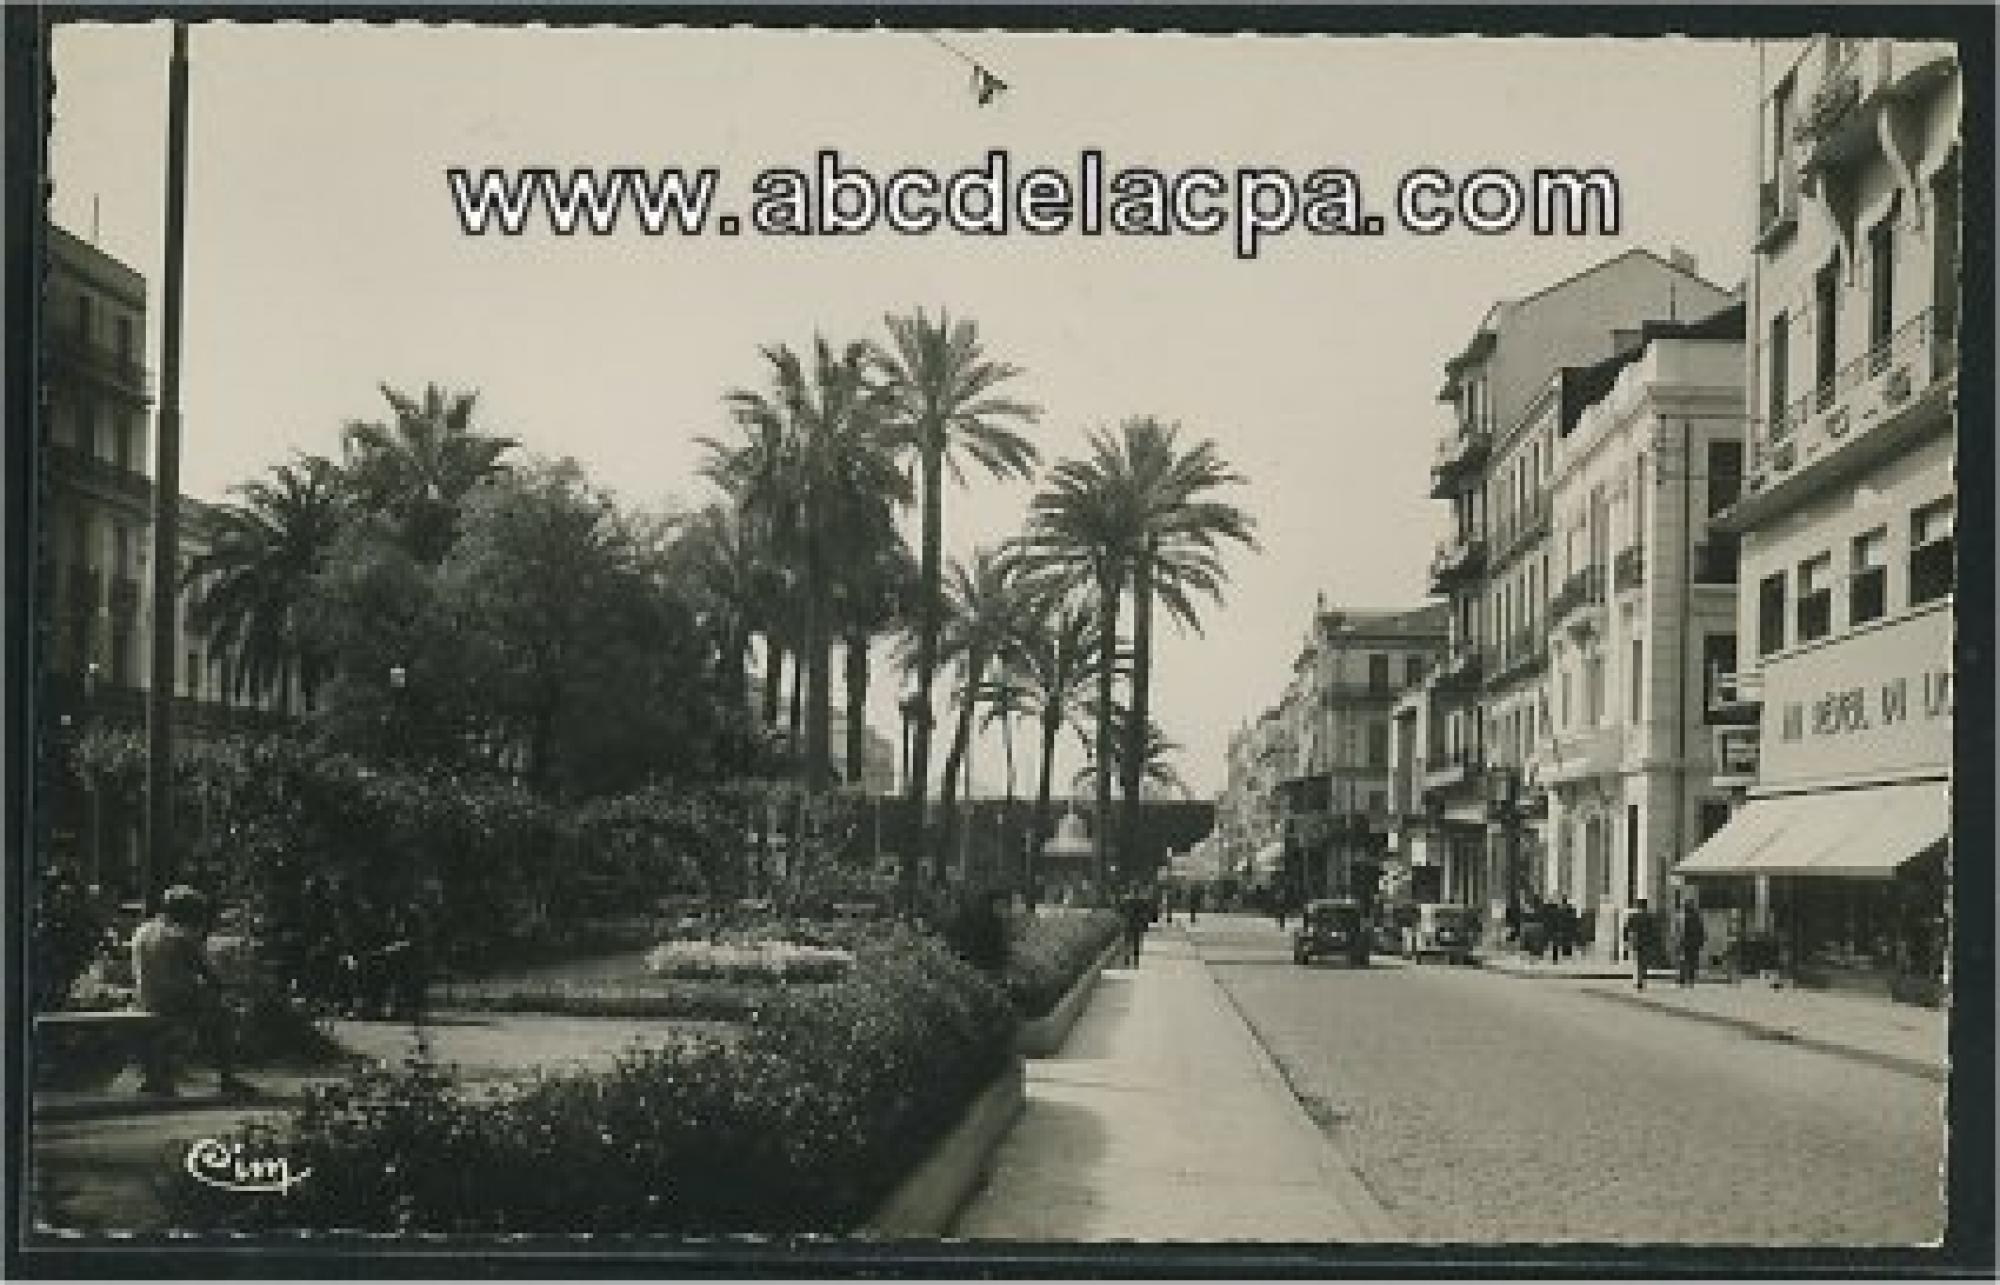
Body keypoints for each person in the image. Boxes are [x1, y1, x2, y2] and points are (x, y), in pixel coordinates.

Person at [131, 886, 255, 1099]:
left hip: (147, 998)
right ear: (185, 912)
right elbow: (210, 975)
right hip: (176, 1001)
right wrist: (229, 986)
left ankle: (156, 1078)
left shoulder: (142, 930)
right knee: (225, 1015)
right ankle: (227, 1078)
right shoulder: (180, 935)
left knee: (203, 1010)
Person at [1620, 899, 1655, 992]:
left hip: (1638, 941)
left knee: (1640, 961)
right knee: (1643, 962)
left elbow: (1626, 928)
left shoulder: (1635, 916)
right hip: (1646, 941)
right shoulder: (1649, 917)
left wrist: (1626, 940)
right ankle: (1641, 978)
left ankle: (1640, 980)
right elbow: (1653, 930)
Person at [1677, 901, 1707, 988]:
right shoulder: (1697, 918)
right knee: (1692, 962)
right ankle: (1690, 979)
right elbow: (1701, 932)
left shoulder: (1686, 918)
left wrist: (1681, 942)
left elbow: (1683, 932)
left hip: (1687, 943)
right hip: (1694, 943)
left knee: (1684, 961)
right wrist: (1701, 943)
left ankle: (1683, 979)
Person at [1121, 888, 1152, 967]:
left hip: (1129, 924)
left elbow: (1122, 913)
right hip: (1136, 924)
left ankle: (1127, 959)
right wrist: (1145, 925)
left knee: (1128, 943)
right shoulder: (1141, 901)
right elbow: (1145, 914)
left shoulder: (1127, 901)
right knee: (1135, 943)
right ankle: (1135, 960)